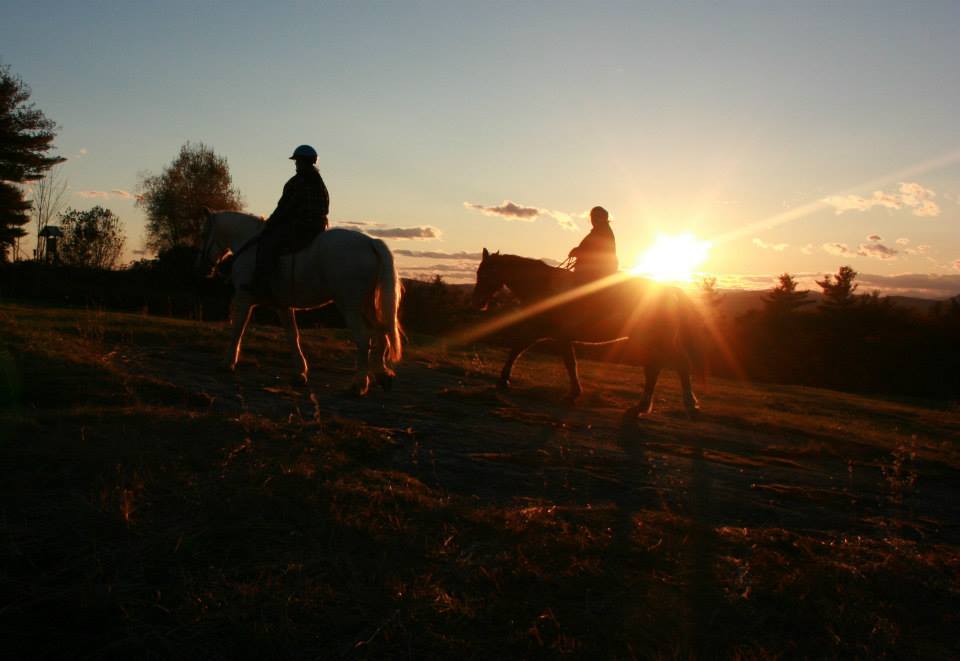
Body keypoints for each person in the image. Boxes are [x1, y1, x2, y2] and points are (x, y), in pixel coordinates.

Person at [244, 145, 329, 294]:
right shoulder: (319, 182)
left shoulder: (297, 182)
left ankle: (262, 285)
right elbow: (325, 206)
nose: (296, 164)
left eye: (297, 161)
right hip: (319, 226)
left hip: (300, 226)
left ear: (303, 162)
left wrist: (269, 223)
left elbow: (284, 207)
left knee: (267, 243)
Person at [568, 206, 618, 282]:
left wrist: (577, 251)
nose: (593, 219)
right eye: (593, 217)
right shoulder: (600, 230)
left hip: (594, 272)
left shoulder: (601, 232)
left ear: (602, 218)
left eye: (596, 217)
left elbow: (593, 251)